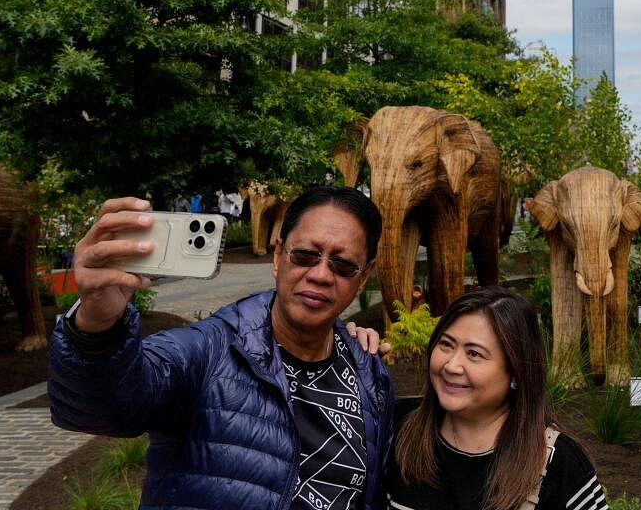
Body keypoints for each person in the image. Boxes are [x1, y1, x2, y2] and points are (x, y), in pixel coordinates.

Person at [49, 186, 394, 510]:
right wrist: (96, 327)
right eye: (304, 255)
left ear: (364, 277)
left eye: (343, 265)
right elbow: (100, 408)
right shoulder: (206, 352)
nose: (320, 274)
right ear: (278, 255)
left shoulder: (370, 373)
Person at [387, 286, 608, 510]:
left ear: (515, 372)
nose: (452, 365)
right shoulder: (401, 434)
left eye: (474, 354)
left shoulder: (558, 463)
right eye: (446, 344)